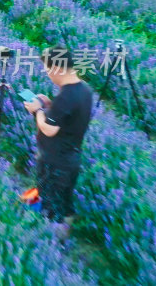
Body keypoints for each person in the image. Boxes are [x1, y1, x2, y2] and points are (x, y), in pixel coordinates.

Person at [23, 46, 92, 238]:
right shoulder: (84, 89)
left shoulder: (66, 96)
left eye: (47, 70)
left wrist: (37, 110)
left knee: (50, 206)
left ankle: (52, 245)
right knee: (65, 203)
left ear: (58, 69)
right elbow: (66, 117)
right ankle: (66, 238)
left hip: (55, 162)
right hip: (71, 158)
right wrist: (49, 104)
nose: (48, 75)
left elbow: (49, 129)